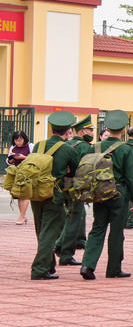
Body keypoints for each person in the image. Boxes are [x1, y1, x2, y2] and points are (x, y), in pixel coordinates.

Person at [79, 111, 133, 280]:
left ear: (108, 128)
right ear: (124, 129)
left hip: (99, 191)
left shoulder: (95, 147)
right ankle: (113, 269)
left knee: (97, 228)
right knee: (116, 232)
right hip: (119, 193)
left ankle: (87, 265)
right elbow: (131, 177)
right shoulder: (126, 149)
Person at [28, 113, 79, 280]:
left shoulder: (39, 145)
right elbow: (75, 171)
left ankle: (49, 265)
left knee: (41, 230)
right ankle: (39, 269)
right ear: (68, 131)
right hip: (53, 193)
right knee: (50, 232)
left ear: (51, 129)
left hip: (35, 191)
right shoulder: (67, 149)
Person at [54, 116, 95, 264]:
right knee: (74, 219)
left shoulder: (65, 144)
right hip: (77, 186)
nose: (92, 133)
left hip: (61, 185)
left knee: (69, 216)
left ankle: (61, 245)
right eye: (90, 130)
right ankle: (64, 252)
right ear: (83, 131)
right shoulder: (86, 147)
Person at [7, 130, 31, 225]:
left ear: (24, 139)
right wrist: (11, 159)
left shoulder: (30, 146)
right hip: (17, 173)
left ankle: (21, 216)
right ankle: (23, 215)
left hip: (28, 172)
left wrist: (23, 157)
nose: (18, 142)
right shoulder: (13, 148)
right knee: (19, 195)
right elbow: (8, 162)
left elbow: (35, 159)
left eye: (20, 140)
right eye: (16, 140)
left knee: (25, 195)